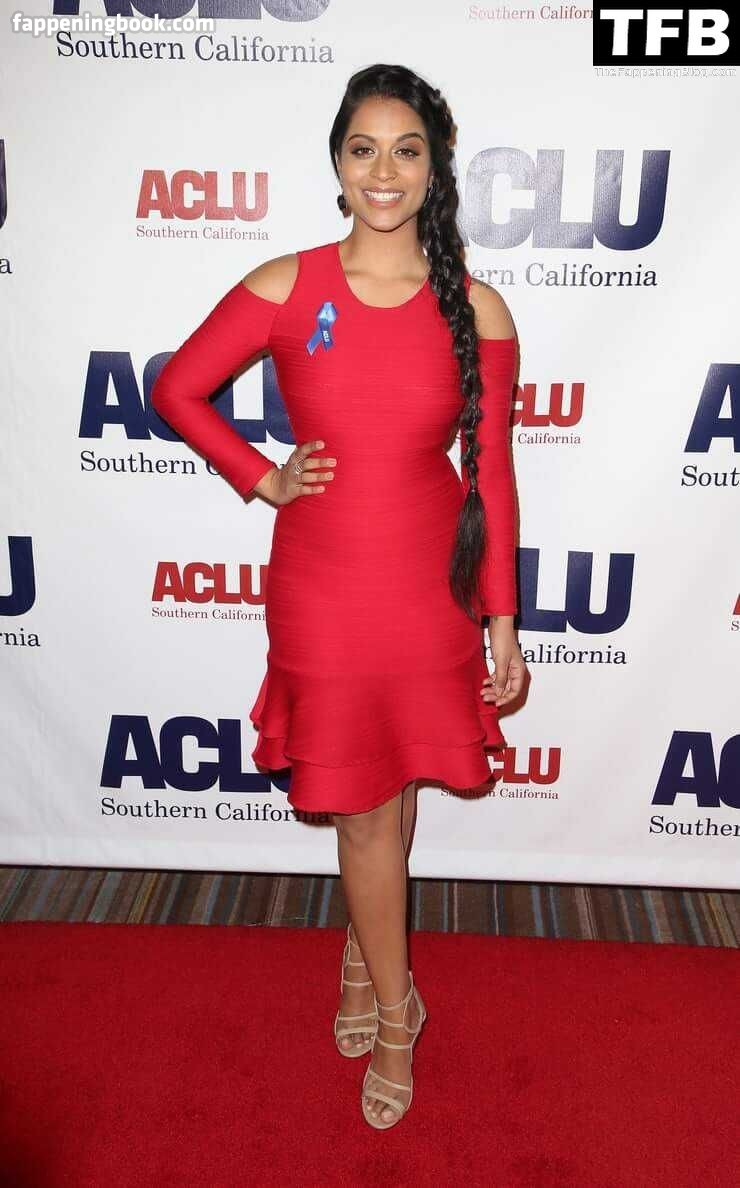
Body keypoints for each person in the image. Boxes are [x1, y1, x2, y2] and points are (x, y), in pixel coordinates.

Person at [150, 63, 527, 1130]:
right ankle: (401, 1012)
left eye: (407, 150)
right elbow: (176, 388)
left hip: (432, 590)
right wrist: (260, 474)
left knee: (391, 792)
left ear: (434, 169)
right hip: (322, 585)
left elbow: (493, 478)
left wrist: (501, 622)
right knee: (362, 808)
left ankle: (363, 960)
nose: (384, 171)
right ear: (337, 162)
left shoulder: (478, 307)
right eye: (364, 149)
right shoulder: (288, 285)